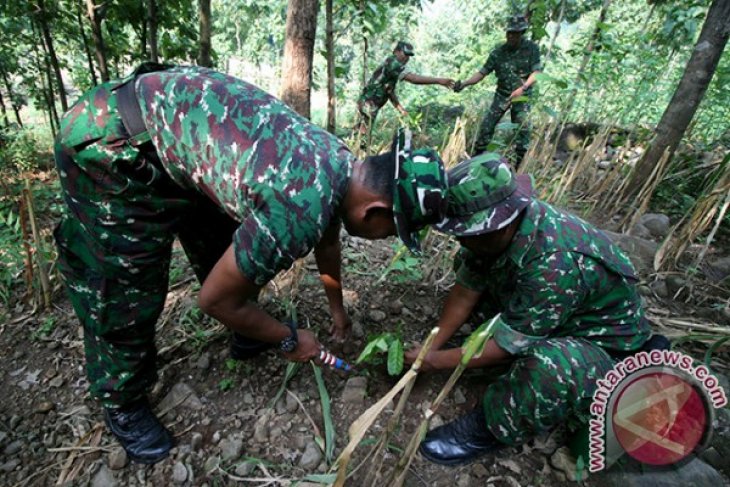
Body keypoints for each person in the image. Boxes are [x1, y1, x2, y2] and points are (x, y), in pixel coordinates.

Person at [53, 63, 448, 464]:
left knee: (224, 248)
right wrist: (289, 338)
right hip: (112, 145)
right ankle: (122, 401)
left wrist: (337, 309)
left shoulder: (341, 164)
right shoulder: (298, 209)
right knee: (126, 287)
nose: (386, 239)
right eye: (392, 232)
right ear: (375, 211)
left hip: (168, 143)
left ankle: (246, 330)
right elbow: (213, 301)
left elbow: (327, 244)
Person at [404, 153, 664, 466]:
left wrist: (434, 362)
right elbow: (466, 289)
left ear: (499, 226)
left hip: (605, 348)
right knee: (470, 263)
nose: (461, 238)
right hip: (556, 312)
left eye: (467, 233)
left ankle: (492, 427)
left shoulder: (554, 264)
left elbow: (504, 346)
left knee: (550, 365)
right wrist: (433, 344)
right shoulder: (500, 232)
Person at [454, 15, 542, 166]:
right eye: (509, 33)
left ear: (521, 33)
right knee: (486, 127)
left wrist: (523, 88)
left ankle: (518, 166)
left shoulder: (531, 49)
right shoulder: (498, 53)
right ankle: (475, 161)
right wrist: (465, 83)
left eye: (516, 33)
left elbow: (537, 73)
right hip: (502, 95)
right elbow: (482, 73)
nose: (512, 36)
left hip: (522, 96)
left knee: (523, 130)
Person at [356, 41, 455, 146]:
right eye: (405, 54)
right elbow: (413, 79)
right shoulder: (393, 63)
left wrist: (400, 109)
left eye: (409, 56)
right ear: (396, 52)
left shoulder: (393, 69)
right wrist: (439, 81)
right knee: (363, 137)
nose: (407, 58)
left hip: (371, 104)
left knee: (363, 135)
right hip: (368, 103)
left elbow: (389, 91)